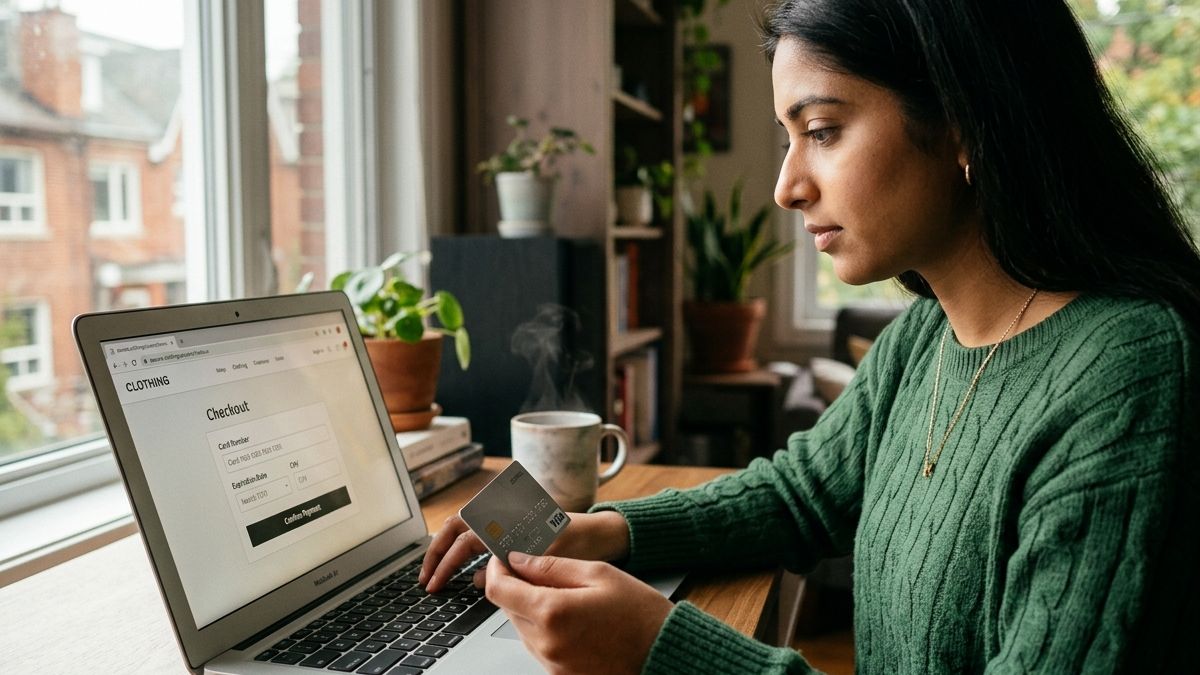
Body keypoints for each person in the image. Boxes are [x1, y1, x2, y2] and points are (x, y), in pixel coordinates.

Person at [421, 0, 1200, 672]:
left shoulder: (1129, 375)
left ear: (965, 122)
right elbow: (799, 495)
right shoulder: (925, 336)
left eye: (822, 130)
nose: (786, 186)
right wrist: (600, 531)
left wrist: (664, 648)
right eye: (789, 138)